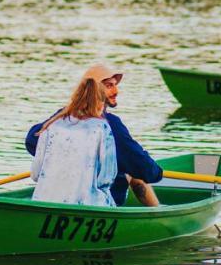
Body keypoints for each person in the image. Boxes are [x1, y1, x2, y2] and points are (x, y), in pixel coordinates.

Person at [26, 63, 162, 207]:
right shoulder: (110, 125)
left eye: (115, 85)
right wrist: (157, 172)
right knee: (132, 172)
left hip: (49, 200)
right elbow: (147, 170)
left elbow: (31, 140)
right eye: (109, 86)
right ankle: (161, 215)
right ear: (94, 90)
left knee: (126, 164)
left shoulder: (60, 118)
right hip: (95, 205)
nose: (116, 91)